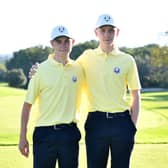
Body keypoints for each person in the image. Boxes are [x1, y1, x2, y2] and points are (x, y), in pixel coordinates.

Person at [29, 13, 141, 168]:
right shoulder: (86, 58)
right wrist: (37, 70)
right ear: (96, 32)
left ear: (117, 32)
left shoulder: (127, 60)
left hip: (122, 123)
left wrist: (132, 127)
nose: (107, 34)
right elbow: (65, 64)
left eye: (111, 30)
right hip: (96, 122)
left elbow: (136, 95)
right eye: (103, 30)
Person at [18, 25, 84, 168]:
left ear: (73, 42)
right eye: (58, 41)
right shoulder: (39, 70)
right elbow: (27, 105)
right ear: (52, 44)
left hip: (69, 133)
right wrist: (22, 136)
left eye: (66, 41)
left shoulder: (79, 69)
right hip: (44, 134)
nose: (62, 45)